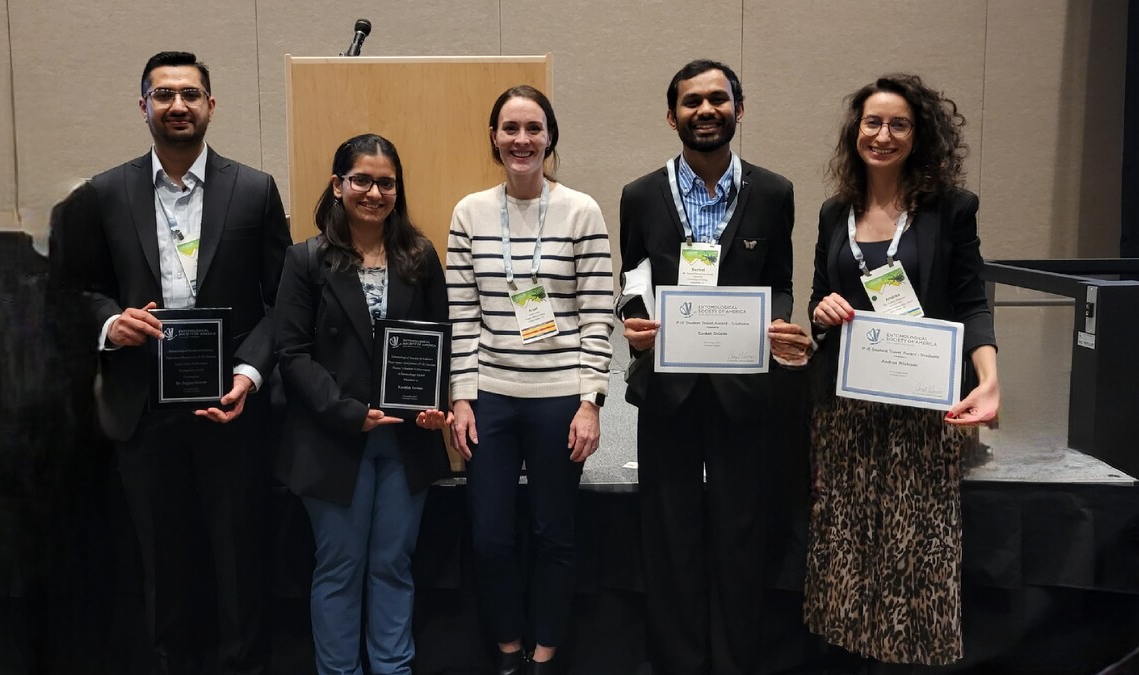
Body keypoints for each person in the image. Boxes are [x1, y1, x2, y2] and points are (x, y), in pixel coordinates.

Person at [74, 51, 291, 674]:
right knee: (164, 576)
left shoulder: (253, 189)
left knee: (239, 571)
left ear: (210, 107)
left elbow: (281, 301)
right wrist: (112, 324)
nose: (177, 105)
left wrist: (249, 373)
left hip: (230, 408)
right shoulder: (106, 192)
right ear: (142, 105)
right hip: (144, 412)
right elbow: (78, 290)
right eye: (163, 94)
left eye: (190, 94)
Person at [618, 59, 810, 675]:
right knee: (669, 539)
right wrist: (635, 327)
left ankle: (735, 663)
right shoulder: (640, 194)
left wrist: (779, 326)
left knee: (741, 538)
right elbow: (633, 281)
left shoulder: (775, 191)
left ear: (739, 109)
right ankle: (677, 663)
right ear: (671, 115)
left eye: (718, 100)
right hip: (668, 390)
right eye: (691, 101)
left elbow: (779, 283)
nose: (706, 111)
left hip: (745, 392)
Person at [804, 73, 1000, 667]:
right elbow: (818, 299)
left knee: (917, 556)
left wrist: (989, 380)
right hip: (846, 410)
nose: (883, 135)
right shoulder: (836, 211)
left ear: (919, 136)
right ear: (855, 130)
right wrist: (822, 309)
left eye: (898, 124)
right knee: (846, 550)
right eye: (872, 122)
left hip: (923, 408)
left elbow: (970, 302)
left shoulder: (950, 209)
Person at [446, 85, 613, 675]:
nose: (522, 140)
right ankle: (508, 649)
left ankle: (544, 655)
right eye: (510, 128)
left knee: (552, 535)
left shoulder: (581, 210)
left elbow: (597, 313)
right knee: (490, 537)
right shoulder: (469, 212)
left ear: (550, 137)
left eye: (533, 128)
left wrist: (591, 401)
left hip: (559, 397)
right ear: (494, 137)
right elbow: (462, 316)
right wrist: (461, 397)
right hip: (490, 396)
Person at [272, 134, 451, 675]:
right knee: (340, 567)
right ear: (338, 184)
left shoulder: (419, 256)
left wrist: (435, 402)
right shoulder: (305, 259)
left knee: (393, 566)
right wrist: (349, 411)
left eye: (386, 182)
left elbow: (440, 339)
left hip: (404, 441)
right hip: (332, 440)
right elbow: (291, 352)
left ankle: (393, 669)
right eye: (362, 180)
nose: (374, 192)